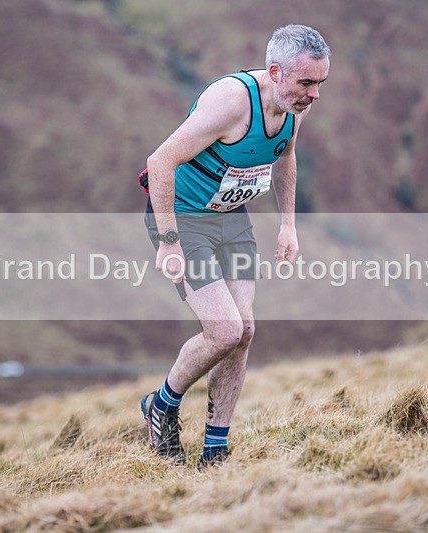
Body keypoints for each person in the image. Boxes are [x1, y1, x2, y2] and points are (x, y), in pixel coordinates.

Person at [139, 24, 330, 468]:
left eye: (321, 83)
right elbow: (160, 161)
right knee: (222, 331)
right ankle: (162, 405)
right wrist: (168, 243)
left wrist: (288, 226)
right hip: (184, 222)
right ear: (276, 71)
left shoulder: (294, 103)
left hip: (232, 220)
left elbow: (285, 155)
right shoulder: (230, 103)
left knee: (243, 333)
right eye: (307, 83)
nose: (314, 95)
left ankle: (215, 449)